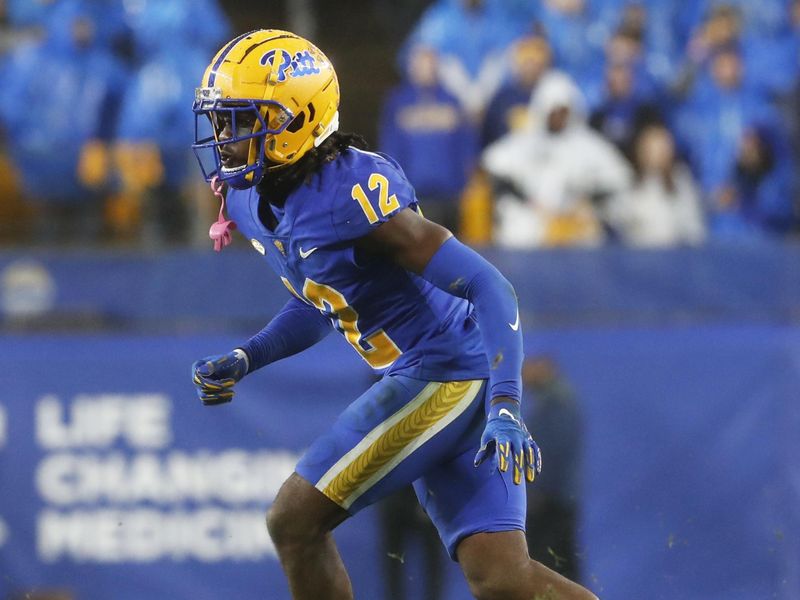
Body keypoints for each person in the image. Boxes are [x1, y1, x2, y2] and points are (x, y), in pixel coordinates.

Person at [189, 29, 597, 600]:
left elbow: (489, 284)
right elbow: (324, 296)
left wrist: (506, 403)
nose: (225, 138)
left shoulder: (349, 193)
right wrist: (248, 355)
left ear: (298, 119)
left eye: (241, 120)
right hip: (441, 374)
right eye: (221, 121)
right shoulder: (250, 196)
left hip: (444, 374)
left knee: (293, 521)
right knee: (505, 581)